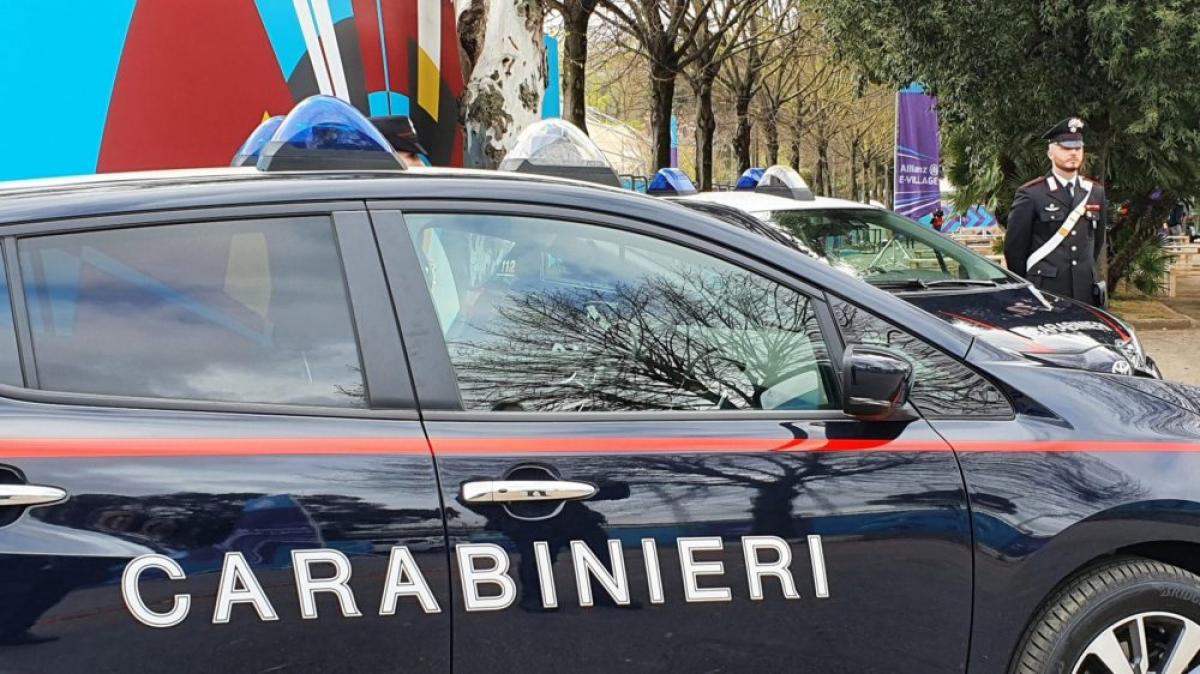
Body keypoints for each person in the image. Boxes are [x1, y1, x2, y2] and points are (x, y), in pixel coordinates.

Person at [1004, 117, 1108, 307]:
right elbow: (1014, 250)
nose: (1073, 153)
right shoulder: (1032, 193)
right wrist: (1026, 289)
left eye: (1078, 148)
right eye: (1066, 148)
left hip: (1084, 291)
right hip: (1046, 291)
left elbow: (1096, 241)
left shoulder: (1095, 192)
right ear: (1051, 153)